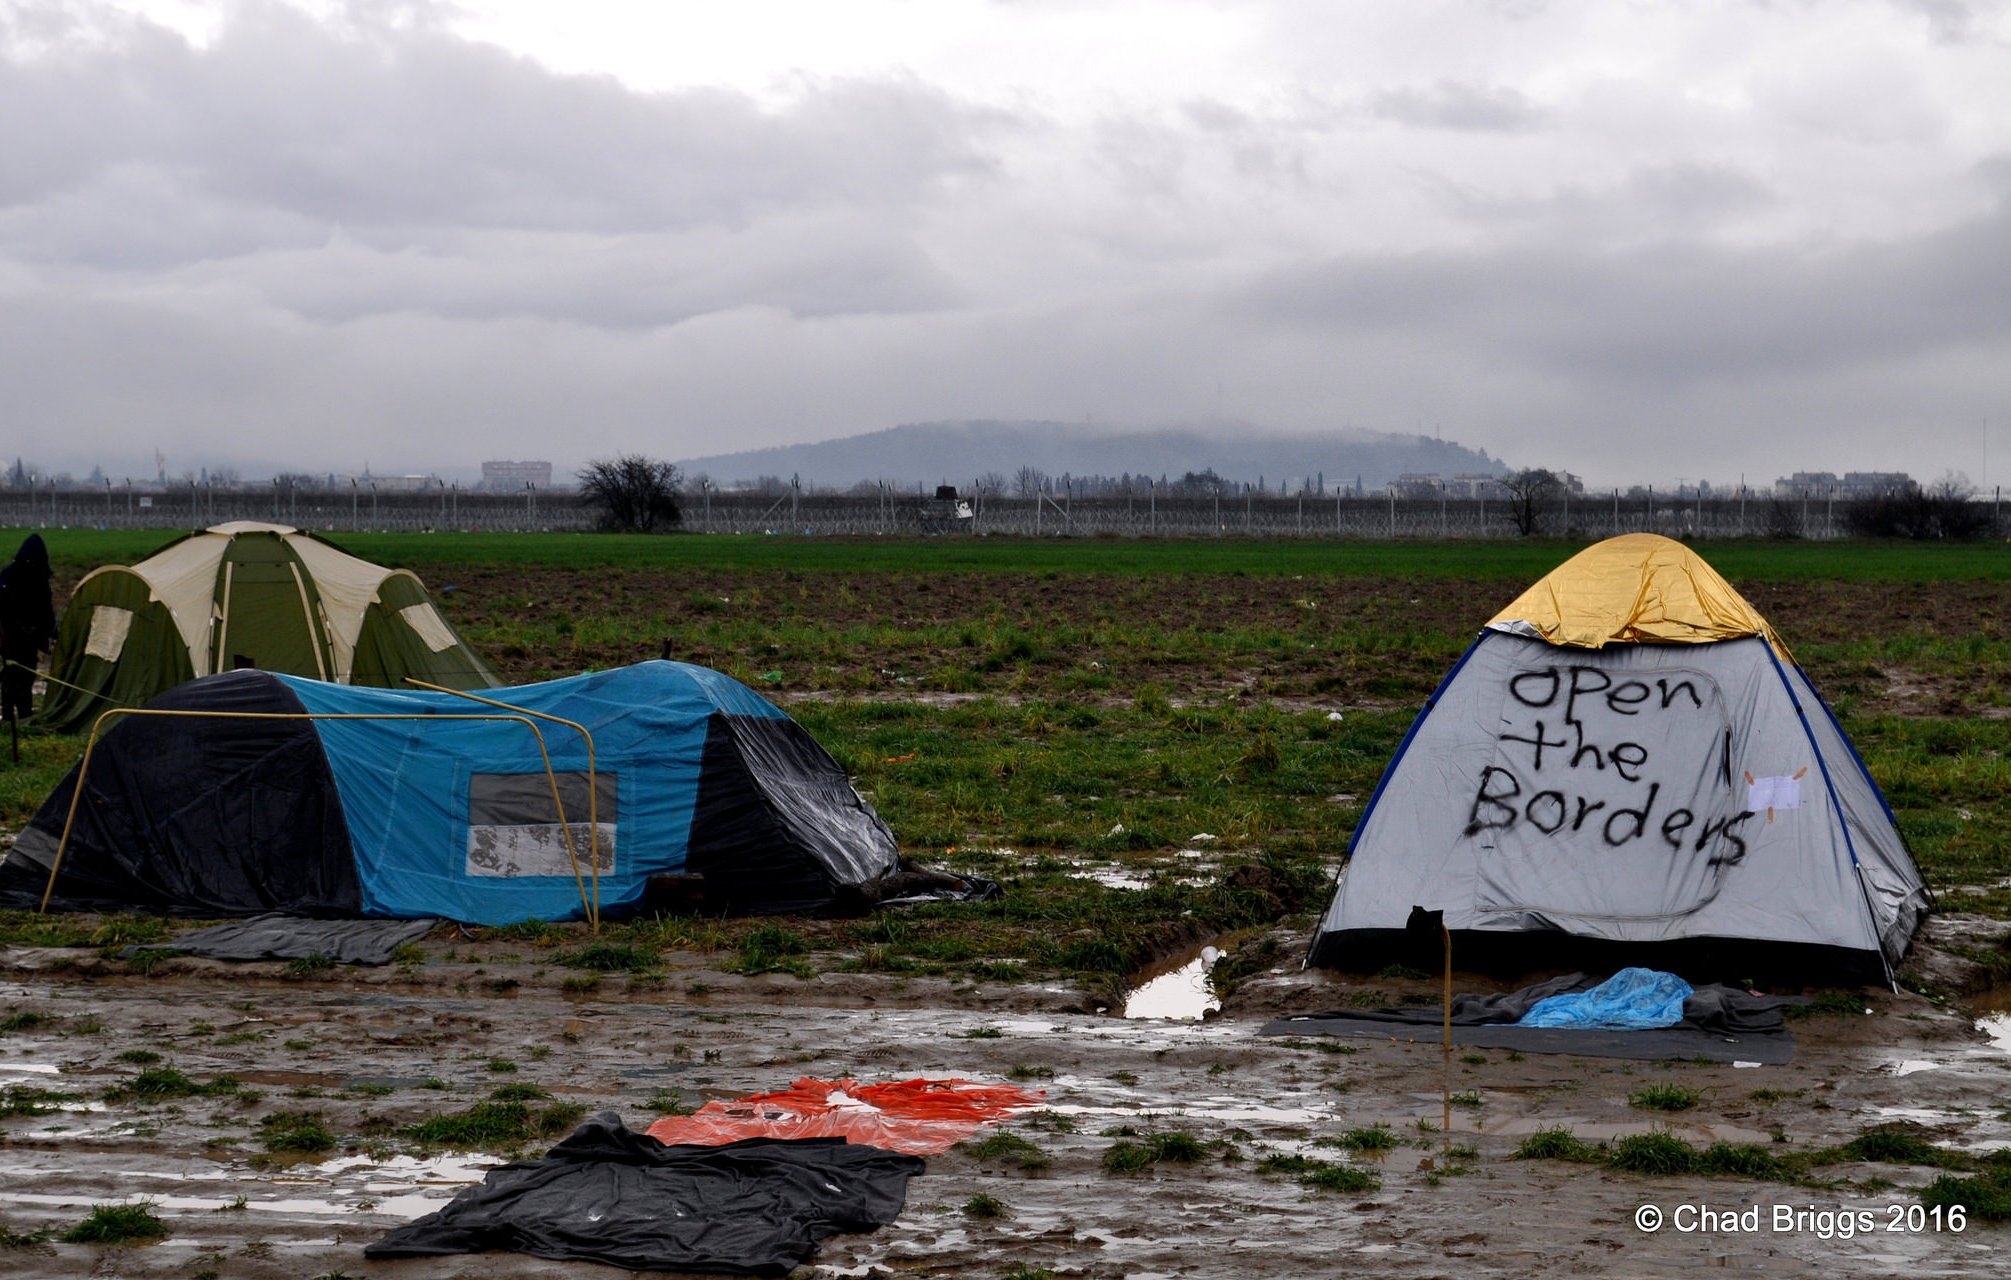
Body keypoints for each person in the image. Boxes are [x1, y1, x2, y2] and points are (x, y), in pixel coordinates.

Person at [0, 533, 56, 723]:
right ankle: (9, 715)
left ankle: (23, 714)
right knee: (12, 676)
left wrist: (51, 632)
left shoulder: (37, 579)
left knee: (25, 676)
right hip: (10, 637)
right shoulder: (9, 578)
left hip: (29, 639)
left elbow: (46, 611)